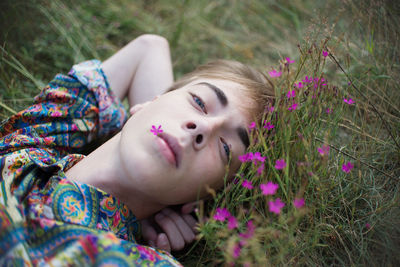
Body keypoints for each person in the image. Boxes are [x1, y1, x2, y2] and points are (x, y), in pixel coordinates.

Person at [0, 34, 274, 266]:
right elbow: (150, 47)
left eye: (225, 148)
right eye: (199, 102)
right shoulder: (34, 137)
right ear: (147, 102)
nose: (202, 127)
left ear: (202, 197)